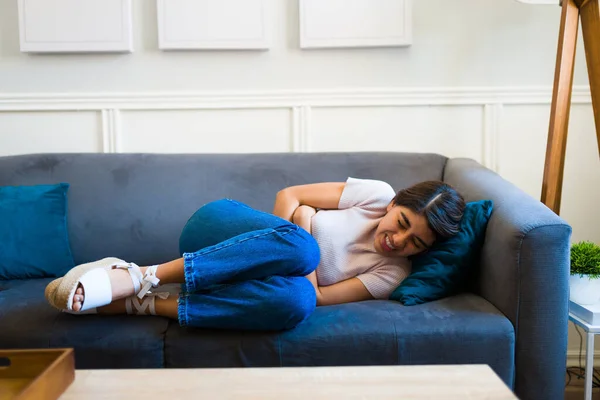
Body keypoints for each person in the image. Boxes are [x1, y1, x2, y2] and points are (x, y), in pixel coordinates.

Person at [45, 177, 465, 331]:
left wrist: (302, 224)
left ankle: (145, 303)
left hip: (244, 282)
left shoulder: (392, 273)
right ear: (396, 206)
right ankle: (142, 274)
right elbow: (291, 195)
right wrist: (285, 236)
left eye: (417, 243)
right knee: (300, 248)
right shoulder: (376, 194)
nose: (400, 241)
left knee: (298, 300)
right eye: (404, 223)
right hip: (220, 231)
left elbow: (318, 297)